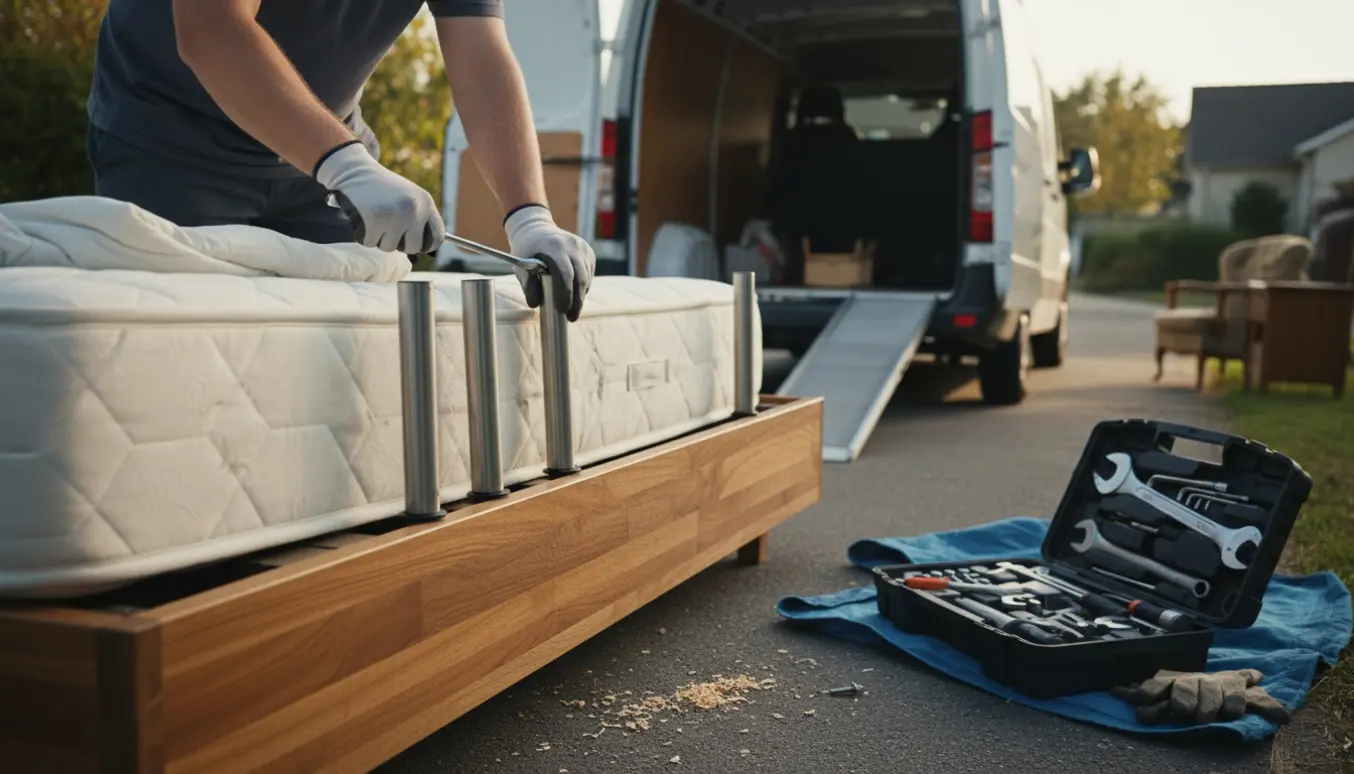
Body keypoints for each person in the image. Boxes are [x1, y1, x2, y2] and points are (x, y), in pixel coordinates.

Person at [85, 0, 594, 320]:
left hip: (327, 156)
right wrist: (347, 167)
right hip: (169, 138)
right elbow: (209, 29)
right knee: (179, 348)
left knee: (345, 351)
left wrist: (529, 217)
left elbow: (481, 58)